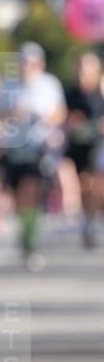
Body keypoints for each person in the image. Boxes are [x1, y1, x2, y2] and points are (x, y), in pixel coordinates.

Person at [0, 42, 66, 269]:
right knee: (19, 198)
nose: (26, 67)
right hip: (14, 149)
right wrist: (12, 113)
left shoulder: (49, 84)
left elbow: (60, 112)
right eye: (22, 62)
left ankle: (31, 240)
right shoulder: (7, 85)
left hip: (38, 148)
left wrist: (45, 118)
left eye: (30, 63)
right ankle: (26, 230)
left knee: (32, 192)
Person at [63, 51, 104, 248]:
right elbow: (61, 117)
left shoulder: (101, 93)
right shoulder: (70, 94)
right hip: (79, 148)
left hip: (100, 146)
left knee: (98, 186)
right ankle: (88, 219)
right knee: (85, 185)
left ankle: (92, 217)